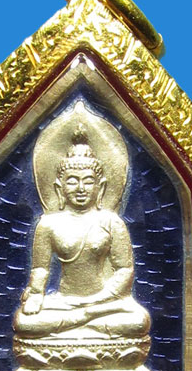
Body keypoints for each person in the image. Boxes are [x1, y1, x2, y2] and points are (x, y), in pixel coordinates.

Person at [13, 126, 150, 340]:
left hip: (104, 302)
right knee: (24, 322)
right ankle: (84, 321)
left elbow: (125, 270)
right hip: (62, 302)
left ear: (100, 187)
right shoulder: (48, 224)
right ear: (59, 187)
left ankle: (80, 321)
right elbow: (40, 268)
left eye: (88, 181)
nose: (80, 188)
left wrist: (99, 300)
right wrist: (37, 294)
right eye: (72, 181)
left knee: (139, 321)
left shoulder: (111, 222)